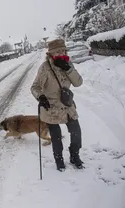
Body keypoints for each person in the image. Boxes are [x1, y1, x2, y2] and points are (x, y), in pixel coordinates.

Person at [30, 39, 84, 171]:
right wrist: (41, 97)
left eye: (62, 50)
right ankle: (58, 159)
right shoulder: (45, 68)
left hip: (67, 106)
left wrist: (67, 68)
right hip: (51, 108)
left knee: (76, 132)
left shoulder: (68, 64)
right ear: (51, 54)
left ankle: (74, 155)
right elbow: (35, 87)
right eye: (57, 51)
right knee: (56, 136)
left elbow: (78, 83)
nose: (60, 53)